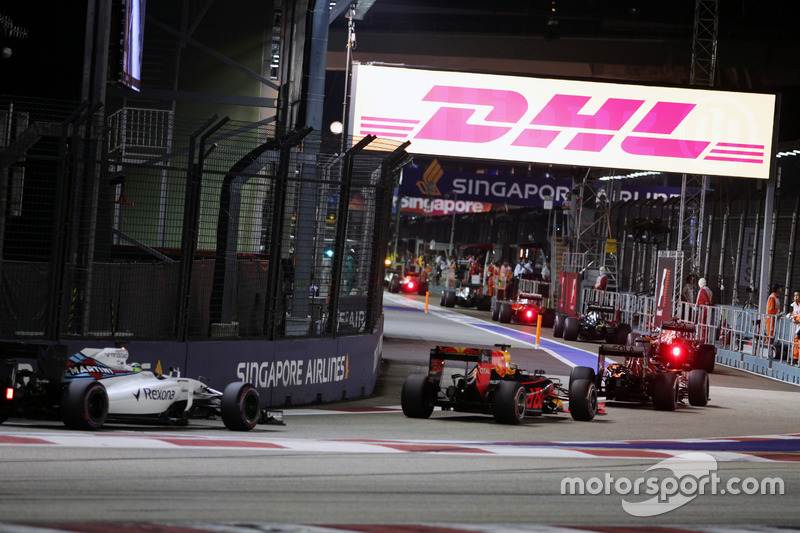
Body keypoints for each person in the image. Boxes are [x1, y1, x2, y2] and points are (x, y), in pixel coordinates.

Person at [696, 277, 714, 341]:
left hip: (704, 309)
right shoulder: (709, 290)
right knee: (706, 324)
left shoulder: (703, 290)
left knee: (702, 323)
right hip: (709, 309)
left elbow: (705, 300)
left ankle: (703, 337)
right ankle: (705, 336)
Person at [789, 290, 800, 365]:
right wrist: (792, 317)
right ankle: (795, 358)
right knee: (795, 343)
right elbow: (794, 314)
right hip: (797, 327)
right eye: (794, 296)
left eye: (797, 295)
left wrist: (796, 319)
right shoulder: (794, 305)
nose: (795, 297)